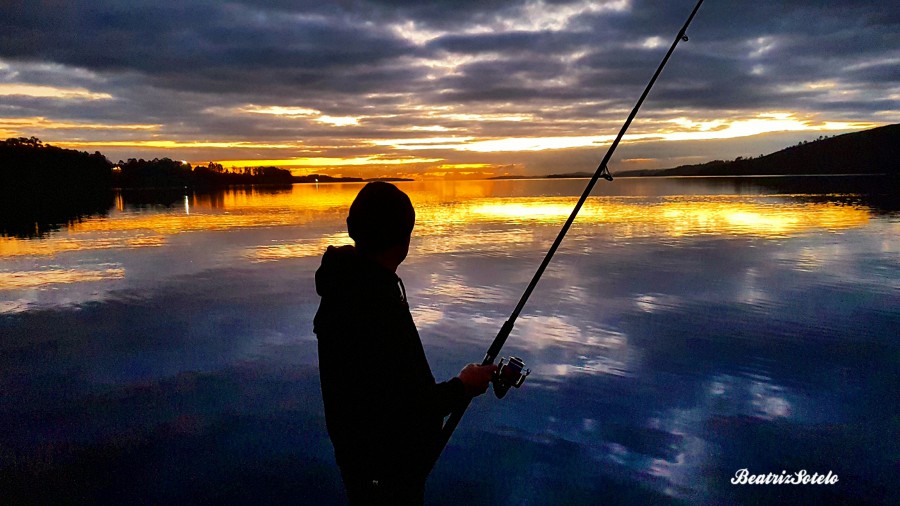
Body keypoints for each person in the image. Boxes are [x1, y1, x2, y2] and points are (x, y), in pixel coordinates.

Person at [313, 182, 496, 505]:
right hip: (385, 474)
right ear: (403, 240)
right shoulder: (374, 302)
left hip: (361, 466)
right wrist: (464, 386)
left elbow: (385, 392)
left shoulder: (345, 284)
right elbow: (408, 405)